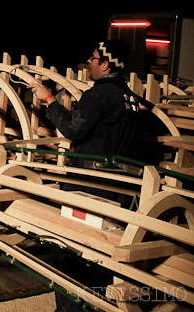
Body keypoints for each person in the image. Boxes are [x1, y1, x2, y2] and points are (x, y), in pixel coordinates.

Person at [28, 39, 139, 312]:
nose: (88, 61)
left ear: (105, 64)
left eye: (93, 58)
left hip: (90, 186)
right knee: (102, 252)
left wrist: (49, 98)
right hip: (118, 187)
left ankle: (70, 309)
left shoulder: (100, 95)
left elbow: (72, 128)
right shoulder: (129, 97)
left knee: (68, 248)